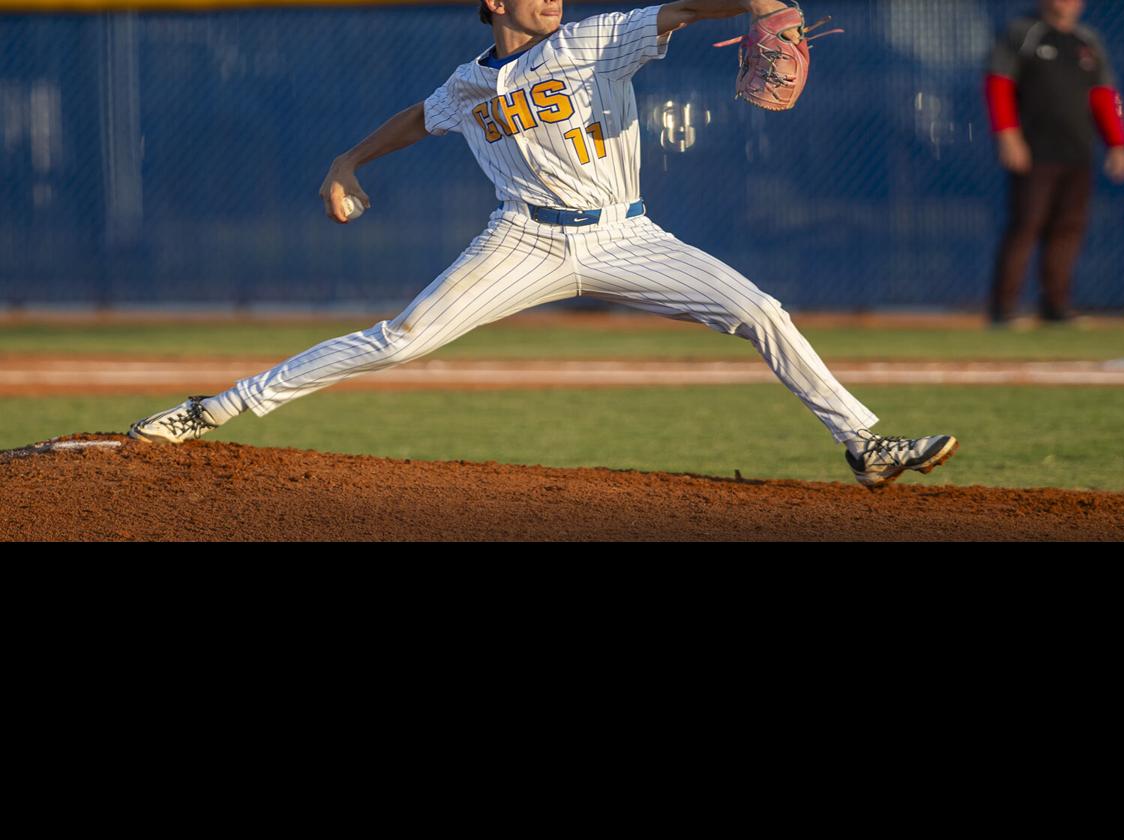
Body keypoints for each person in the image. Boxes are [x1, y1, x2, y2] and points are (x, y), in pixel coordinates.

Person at [127, 0, 957, 490]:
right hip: (521, 240)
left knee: (761, 310)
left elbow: (676, 10)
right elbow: (422, 117)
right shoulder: (467, 84)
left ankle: (864, 443)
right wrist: (347, 160)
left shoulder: (594, 41)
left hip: (626, 235)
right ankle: (217, 408)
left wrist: (755, 3)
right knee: (400, 339)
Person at [984, 0, 1124, 328]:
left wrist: (1118, 144)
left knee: (1068, 229)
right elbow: (999, 85)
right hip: (1034, 151)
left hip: (1078, 151)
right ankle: (1004, 309)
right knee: (1026, 226)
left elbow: (1104, 94)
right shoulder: (1024, 32)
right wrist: (1008, 136)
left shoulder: (1087, 41)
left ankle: (1056, 307)